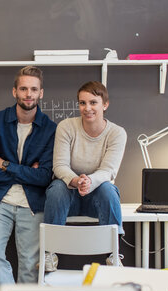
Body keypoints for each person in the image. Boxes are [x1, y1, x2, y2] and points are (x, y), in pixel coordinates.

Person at [0, 66, 56, 289]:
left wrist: (5, 164)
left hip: (32, 204)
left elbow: (43, 177)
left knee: (31, 264)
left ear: (41, 93)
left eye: (33, 89)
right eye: (23, 89)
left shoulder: (51, 129)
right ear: (14, 92)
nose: (28, 94)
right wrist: (26, 171)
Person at [44, 81, 127, 265]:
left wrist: (89, 181)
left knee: (108, 189)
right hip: (68, 196)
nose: (87, 108)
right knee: (57, 186)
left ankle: (114, 254)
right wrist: (76, 180)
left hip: (97, 200)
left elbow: (108, 171)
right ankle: (49, 253)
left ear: (105, 104)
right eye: (82, 103)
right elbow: (59, 166)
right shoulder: (66, 127)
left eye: (93, 102)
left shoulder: (117, 133)